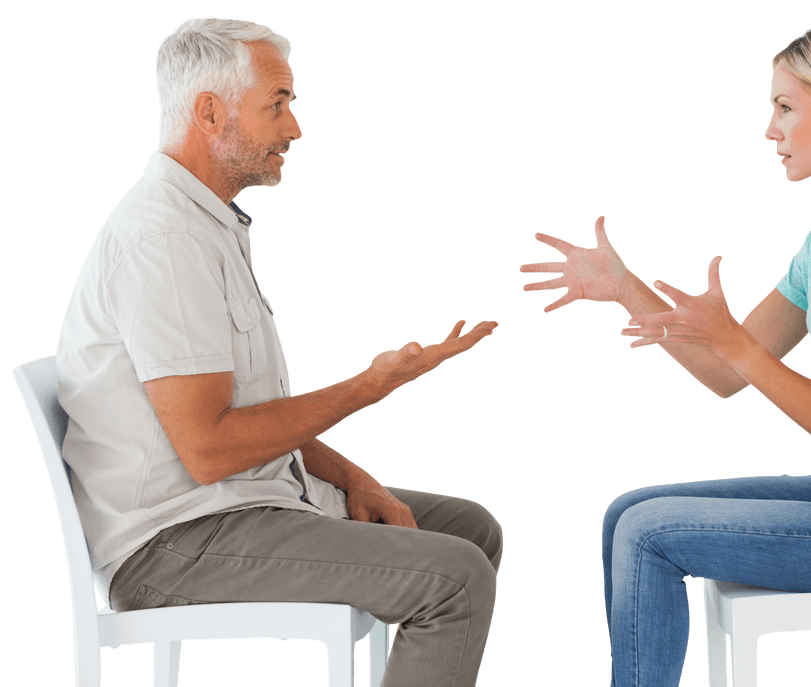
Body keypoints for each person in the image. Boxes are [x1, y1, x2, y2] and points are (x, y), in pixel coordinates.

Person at [520, 16, 811, 687]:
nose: (770, 130)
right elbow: (723, 370)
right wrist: (627, 288)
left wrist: (736, 343)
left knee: (649, 534)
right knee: (626, 514)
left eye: (784, 107)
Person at [56, 16, 501, 687]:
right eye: (277, 105)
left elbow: (252, 414)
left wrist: (351, 476)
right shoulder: (162, 240)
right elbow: (209, 449)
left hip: (240, 504)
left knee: (469, 532)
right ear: (209, 112)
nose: (294, 129)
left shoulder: (210, 225)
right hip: (174, 544)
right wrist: (369, 386)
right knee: (454, 579)